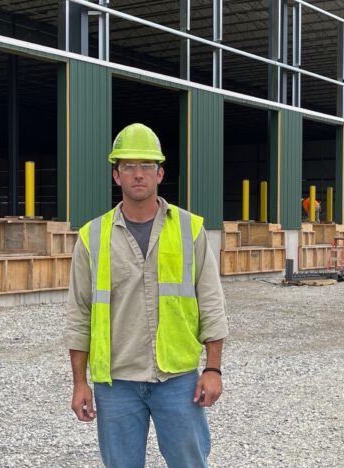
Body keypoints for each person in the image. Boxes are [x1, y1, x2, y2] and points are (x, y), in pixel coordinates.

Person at [64, 123, 229, 468]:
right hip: (116, 382)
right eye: (129, 166)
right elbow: (79, 315)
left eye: (146, 166)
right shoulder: (92, 237)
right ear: (116, 176)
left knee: (190, 463)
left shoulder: (190, 229)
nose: (138, 174)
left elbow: (212, 303)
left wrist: (213, 368)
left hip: (178, 380)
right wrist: (80, 382)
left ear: (160, 173)